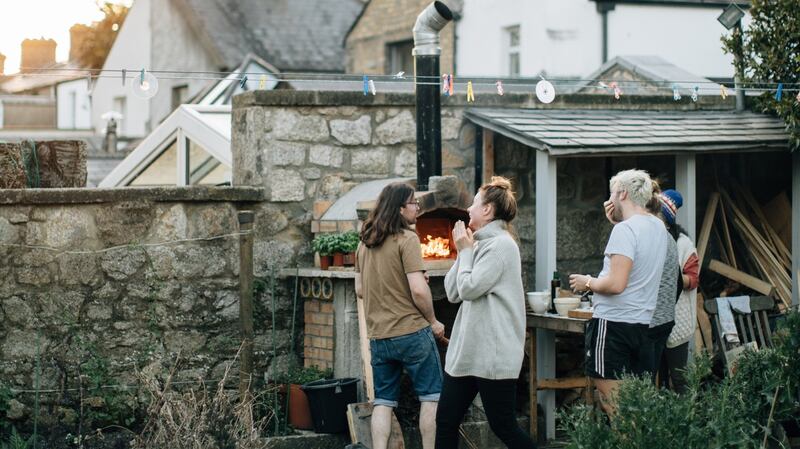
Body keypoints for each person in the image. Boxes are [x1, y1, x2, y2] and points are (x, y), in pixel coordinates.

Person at [435, 177, 537, 449]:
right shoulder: (478, 244)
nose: (468, 208)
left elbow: (468, 289)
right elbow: (452, 292)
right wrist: (463, 252)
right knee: (445, 421)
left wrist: (466, 252)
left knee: (503, 426)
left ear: (488, 210)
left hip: (493, 354)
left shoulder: (502, 246)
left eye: (474, 203)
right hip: (468, 352)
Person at [569, 169, 668, 416]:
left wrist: (587, 282)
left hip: (614, 326)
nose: (610, 200)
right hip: (644, 326)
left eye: (612, 193)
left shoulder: (625, 231)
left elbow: (616, 284)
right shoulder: (658, 227)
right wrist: (617, 222)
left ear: (622, 193)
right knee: (634, 405)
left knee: (614, 406)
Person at [355, 182, 445, 449]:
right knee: (431, 398)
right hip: (412, 333)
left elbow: (360, 289)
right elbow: (418, 291)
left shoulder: (365, 242)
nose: (417, 208)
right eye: (413, 203)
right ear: (399, 208)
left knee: (383, 402)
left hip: (379, 337)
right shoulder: (408, 239)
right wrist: (433, 321)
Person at [658, 189, 699, 393]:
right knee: (658, 380)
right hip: (655, 320)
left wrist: (672, 277)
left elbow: (693, 278)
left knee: (679, 378)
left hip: (676, 317)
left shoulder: (683, 244)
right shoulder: (652, 240)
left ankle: (689, 418)